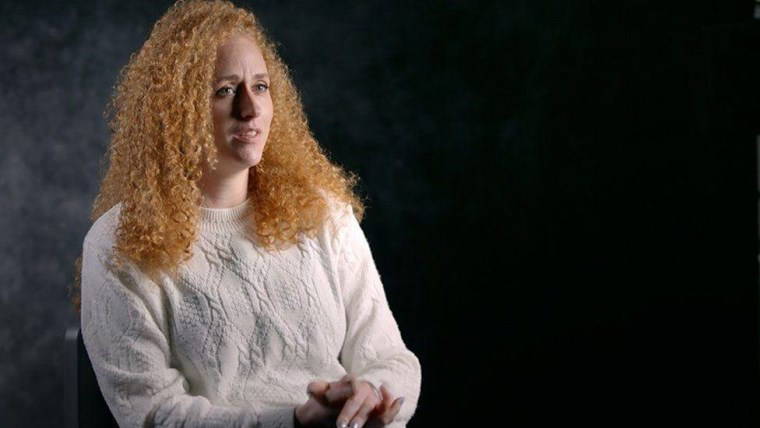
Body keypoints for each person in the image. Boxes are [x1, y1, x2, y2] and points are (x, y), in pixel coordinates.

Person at [71, 1, 421, 427]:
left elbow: (391, 359)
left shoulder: (324, 214)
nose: (250, 109)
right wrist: (294, 421)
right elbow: (155, 414)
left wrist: (371, 399)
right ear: (176, 110)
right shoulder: (118, 243)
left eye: (260, 86)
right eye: (224, 90)